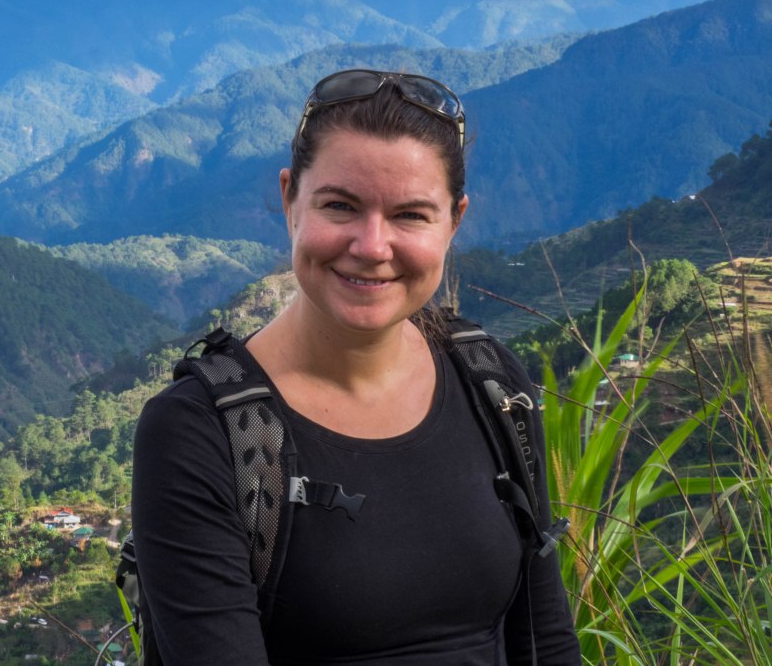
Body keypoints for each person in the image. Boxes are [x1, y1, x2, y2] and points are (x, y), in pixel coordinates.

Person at [131, 69, 580, 665]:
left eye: (411, 215)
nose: (371, 246)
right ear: (290, 200)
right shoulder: (203, 433)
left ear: (455, 221)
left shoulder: (489, 381)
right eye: (341, 206)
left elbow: (545, 636)